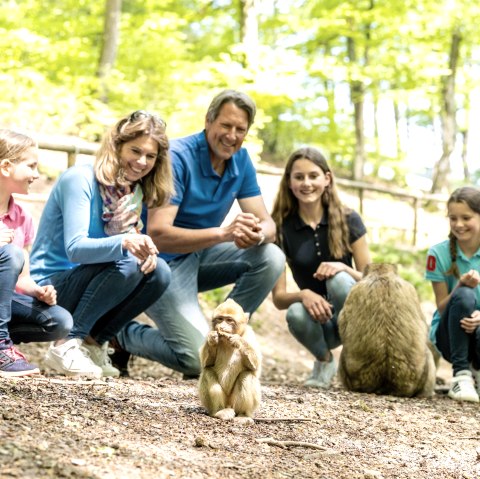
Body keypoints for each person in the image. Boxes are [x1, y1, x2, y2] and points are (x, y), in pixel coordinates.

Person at [112, 89, 285, 377]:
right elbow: (159, 233)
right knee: (196, 360)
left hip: (201, 255)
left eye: (240, 129)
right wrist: (224, 233)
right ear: (208, 121)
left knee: (271, 257)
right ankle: (121, 333)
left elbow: (270, 225)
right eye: (226, 126)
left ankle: (225, 339)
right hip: (160, 264)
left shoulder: (241, 161)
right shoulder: (177, 157)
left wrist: (256, 234)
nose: (232, 135)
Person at [29, 111, 173, 378]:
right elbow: (75, 248)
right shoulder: (79, 179)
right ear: (117, 146)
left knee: (160, 271)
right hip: (49, 286)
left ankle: (93, 342)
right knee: (128, 257)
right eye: (135, 151)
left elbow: (123, 250)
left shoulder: (133, 193)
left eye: (150, 156)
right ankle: (66, 343)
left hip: (91, 281)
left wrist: (143, 252)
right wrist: (128, 242)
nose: (142, 162)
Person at [270, 147, 371, 389]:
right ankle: (325, 362)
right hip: (318, 322)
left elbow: (372, 279)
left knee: (338, 280)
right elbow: (279, 298)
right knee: (295, 311)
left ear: (327, 179)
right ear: (289, 182)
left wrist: (343, 268)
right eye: (299, 177)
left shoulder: (349, 219)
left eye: (313, 176)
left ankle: (358, 359)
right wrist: (304, 294)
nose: (306, 183)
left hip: (354, 316)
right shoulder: (281, 228)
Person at [0, 129, 73, 377]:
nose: (36, 175)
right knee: (11, 252)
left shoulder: (22, 218)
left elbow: (21, 277)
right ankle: (1, 347)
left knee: (60, 321)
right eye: (31, 166)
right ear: (7, 167)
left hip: (4, 299)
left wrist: (38, 291)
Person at [425, 186, 480, 403]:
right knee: (465, 295)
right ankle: (461, 376)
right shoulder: (438, 254)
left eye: (466, 217)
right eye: (453, 218)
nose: (458, 224)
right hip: (449, 336)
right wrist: (459, 287)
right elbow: (441, 307)